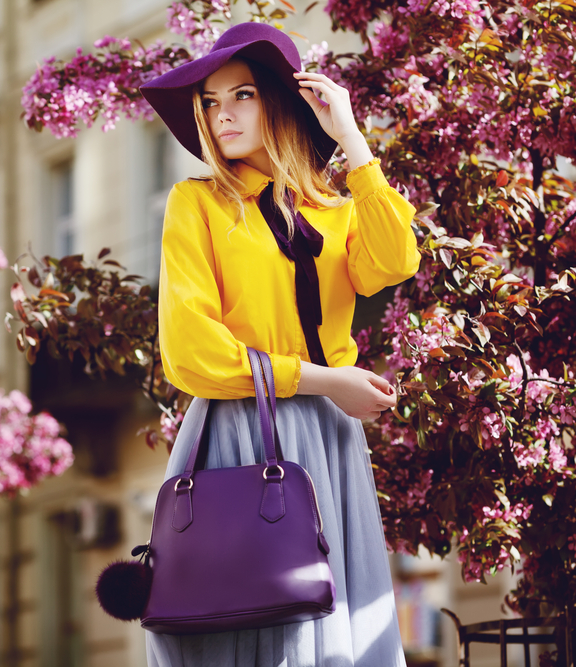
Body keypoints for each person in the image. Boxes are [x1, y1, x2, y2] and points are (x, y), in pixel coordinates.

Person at [137, 22, 420, 667]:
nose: (222, 115)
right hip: (238, 426)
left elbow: (397, 259)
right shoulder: (197, 204)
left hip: (329, 436)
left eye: (242, 95)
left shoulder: (335, 207)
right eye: (211, 102)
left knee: (329, 618)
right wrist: (328, 382)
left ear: (281, 100)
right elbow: (191, 351)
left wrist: (350, 139)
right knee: (242, 616)